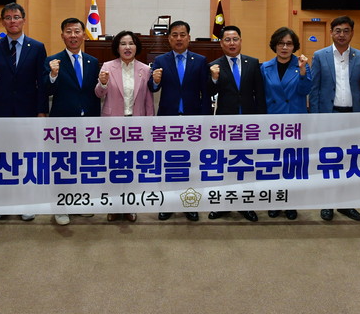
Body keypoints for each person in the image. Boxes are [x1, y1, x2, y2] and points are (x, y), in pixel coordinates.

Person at [309, 16, 360, 222]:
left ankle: (346, 204)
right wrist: (315, 118)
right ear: (331, 33)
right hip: (329, 115)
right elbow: (314, 89)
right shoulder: (320, 55)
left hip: (353, 116)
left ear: (352, 33)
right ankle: (327, 204)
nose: (341, 35)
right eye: (338, 31)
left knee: (350, 161)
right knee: (329, 160)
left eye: (346, 31)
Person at [0, 2, 48, 223]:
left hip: (27, 111)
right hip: (0, 111)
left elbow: (42, 82)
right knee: (1, 157)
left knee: (26, 158)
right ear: (3, 22)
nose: (12, 21)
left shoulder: (36, 47)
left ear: (23, 20)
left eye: (16, 17)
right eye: (8, 17)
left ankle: (26, 202)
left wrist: (41, 111)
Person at [149, 20, 211, 222]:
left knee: (191, 164)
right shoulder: (161, 60)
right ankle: (167, 204)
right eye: (174, 35)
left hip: (193, 120)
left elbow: (206, 92)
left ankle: (189, 204)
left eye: (182, 35)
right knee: (168, 163)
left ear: (189, 38)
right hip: (169, 120)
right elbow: (153, 88)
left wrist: (206, 119)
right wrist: (155, 81)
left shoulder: (200, 60)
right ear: (169, 38)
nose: (178, 38)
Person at [207, 25, 265, 222]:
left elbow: (260, 94)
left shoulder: (253, 63)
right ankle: (223, 204)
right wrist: (213, 79)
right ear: (221, 43)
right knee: (224, 164)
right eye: (227, 40)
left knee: (246, 164)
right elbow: (208, 93)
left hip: (249, 123)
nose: (232, 43)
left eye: (235, 39)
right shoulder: (214, 65)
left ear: (240, 40)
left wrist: (262, 121)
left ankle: (245, 204)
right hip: (226, 123)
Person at [45, 17, 100, 225]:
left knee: (83, 164)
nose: (73, 35)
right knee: (63, 165)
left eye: (77, 31)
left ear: (84, 35)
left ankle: (79, 202)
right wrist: (52, 75)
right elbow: (46, 90)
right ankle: (61, 207)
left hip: (88, 123)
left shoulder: (92, 61)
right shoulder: (53, 61)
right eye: (69, 32)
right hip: (63, 123)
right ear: (62, 36)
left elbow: (95, 92)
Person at [95, 31, 154, 223]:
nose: (127, 47)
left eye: (131, 43)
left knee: (132, 166)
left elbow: (148, 99)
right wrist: (103, 83)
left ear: (136, 47)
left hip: (136, 124)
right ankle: (113, 206)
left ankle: (129, 205)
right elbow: (99, 94)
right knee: (113, 166)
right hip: (113, 124)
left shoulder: (145, 69)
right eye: (123, 43)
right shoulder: (107, 66)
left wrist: (149, 123)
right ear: (117, 47)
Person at [260, 26, 312, 221]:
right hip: (272, 121)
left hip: (294, 121)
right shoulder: (264, 67)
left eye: (289, 44)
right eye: (281, 43)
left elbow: (305, 90)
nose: (284, 47)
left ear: (294, 46)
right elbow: (261, 95)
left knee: (292, 164)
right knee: (273, 164)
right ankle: (274, 201)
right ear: (275, 45)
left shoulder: (302, 66)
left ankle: (291, 203)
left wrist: (302, 71)